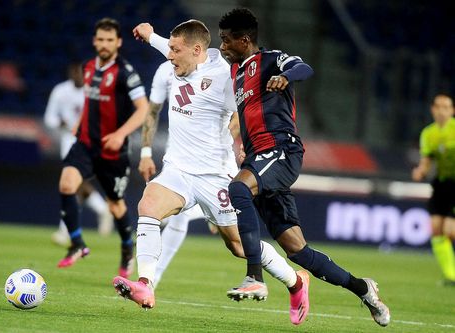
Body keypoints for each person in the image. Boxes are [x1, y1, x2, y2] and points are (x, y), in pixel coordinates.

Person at [113, 20, 310, 326]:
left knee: (238, 246)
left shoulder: (225, 76)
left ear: (196, 50)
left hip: (215, 174)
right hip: (178, 169)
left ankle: (296, 282)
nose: (169, 56)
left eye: (175, 51)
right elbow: (162, 42)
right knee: (148, 207)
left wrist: (245, 143)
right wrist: (147, 32)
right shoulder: (179, 55)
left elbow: (246, 110)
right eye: (170, 49)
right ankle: (146, 284)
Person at [218, 8, 390, 327]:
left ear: (245, 40)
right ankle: (364, 289)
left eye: (226, 40)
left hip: (282, 149)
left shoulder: (270, 59)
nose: (222, 46)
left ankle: (254, 276)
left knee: (238, 188)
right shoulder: (236, 73)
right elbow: (248, 114)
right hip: (259, 156)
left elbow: (303, 67)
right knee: (297, 250)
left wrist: (286, 77)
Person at [56, 18, 149, 280]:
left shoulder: (125, 72)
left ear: (118, 42)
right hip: (86, 144)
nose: (105, 44)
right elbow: (90, 102)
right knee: (66, 184)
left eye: (110, 40)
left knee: (115, 205)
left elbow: (143, 109)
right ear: (95, 41)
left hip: (113, 152)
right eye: (101, 39)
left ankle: (127, 247)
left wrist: (120, 134)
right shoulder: (87, 68)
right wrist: (79, 123)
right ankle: (76, 243)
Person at [142, 60, 213, 288]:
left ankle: (291, 279)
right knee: (165, 211)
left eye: (175, 47)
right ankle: (150, 280)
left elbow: (235, 117)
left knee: (236, 241)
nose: (170, 51)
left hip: (212, 162)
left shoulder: (219, 71)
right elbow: (152, 111)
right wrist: (145, 152)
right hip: (177, 159)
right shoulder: (165, 70)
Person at [44, 62, 114, 246]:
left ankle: (65, 231)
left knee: (71, 184)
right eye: (74, 71)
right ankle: (101, 209)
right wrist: (63, 124)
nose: (78, 75)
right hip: (68, 141)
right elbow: (49, 118)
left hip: (89, 142)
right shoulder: (60, 91)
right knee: (76, 185)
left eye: (81, 72)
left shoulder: (93, 91)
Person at [412, 94, 455, 285]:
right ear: (432, 110)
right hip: (441, 184)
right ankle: (451, 276)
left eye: (446, 107)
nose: (441, 110)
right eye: (438, 106)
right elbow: (427, 160)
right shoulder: (428, 133)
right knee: (437, 230)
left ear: (452, 110)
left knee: (450, 230)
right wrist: (421, 171)